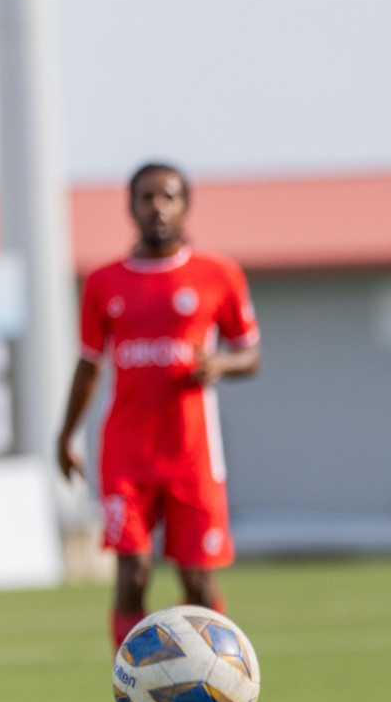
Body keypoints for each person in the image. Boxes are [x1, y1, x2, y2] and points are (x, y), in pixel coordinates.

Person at [56, 163, 262, 655]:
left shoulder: (218, 274)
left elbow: (250, 353)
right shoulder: (105, 282)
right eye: (146, 197)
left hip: (192, 454)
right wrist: (64, 436)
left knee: (197, 582)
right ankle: (134, 689)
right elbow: (89, 366)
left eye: (168, 197)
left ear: (185, 205)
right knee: (133, 572)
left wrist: (222, 365)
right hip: (126, 455)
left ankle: (217, 685)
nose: (157, 207)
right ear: (130, 207)